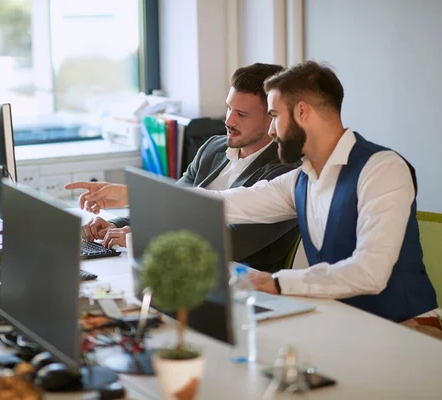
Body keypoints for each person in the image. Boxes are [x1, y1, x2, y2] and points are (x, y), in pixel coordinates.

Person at [212, 61, 442, 339]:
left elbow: (370, 272)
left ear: (301, 112)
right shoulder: (301, 179)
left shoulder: (382, 169)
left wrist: (275, 282)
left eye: (274, 115)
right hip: (343, 324)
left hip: (406, 330)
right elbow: (232, 202)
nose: (271, 130)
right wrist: (162, 201)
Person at [67, 63, 301, 273]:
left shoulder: (286, 173)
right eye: (229, 108)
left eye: (241, 114)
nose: (229, 120)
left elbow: (228, 243)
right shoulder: (213, 147)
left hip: (240, 285)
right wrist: (116, 225)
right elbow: (170, 204)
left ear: (271, 118)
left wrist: (140, 237)